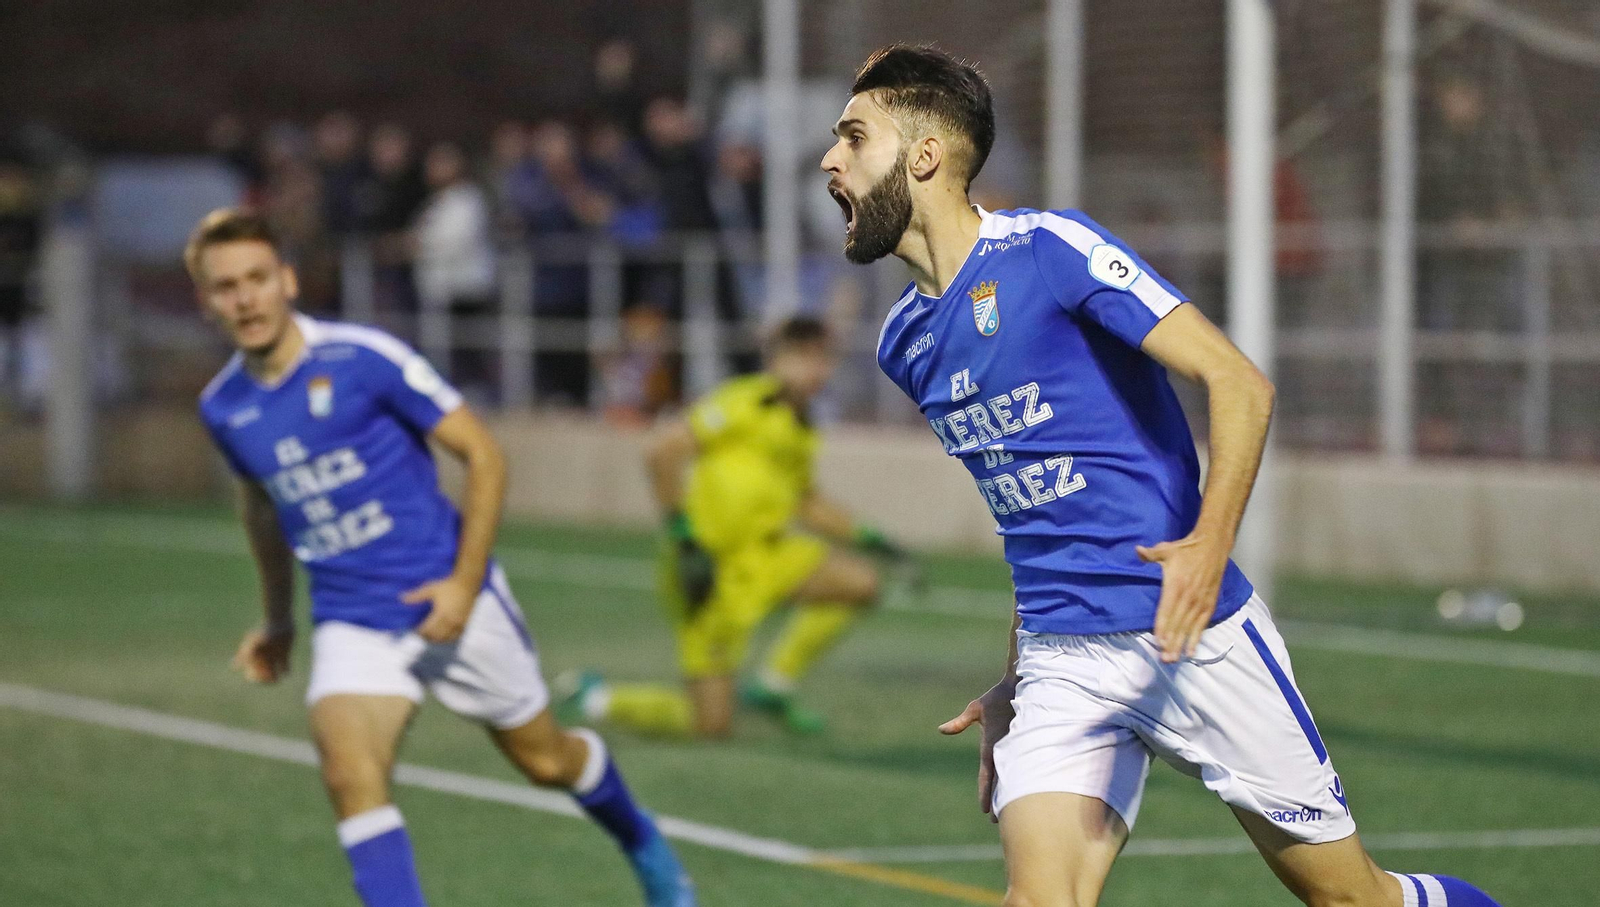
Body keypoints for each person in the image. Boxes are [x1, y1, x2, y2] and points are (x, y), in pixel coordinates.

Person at [823, 44, 1505, 907]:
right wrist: (1014, 675)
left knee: (1352, 899)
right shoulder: (903, 344)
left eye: (853, 136)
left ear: (924, 156)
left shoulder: (1050, 251)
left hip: (1193, 639)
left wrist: (1207, 547)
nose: (829, 160)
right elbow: (1028, 505)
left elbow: (1239, 384)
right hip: (1063, 659)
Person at [186, 208, 695, 907]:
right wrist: (278, 621)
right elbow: (263, 508)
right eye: (225, 287)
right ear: (206, 301)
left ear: (287, 280)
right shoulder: (224, 407)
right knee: (349, 773)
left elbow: (482, 453)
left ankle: (641, 840)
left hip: (453, 599)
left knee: (548, 761)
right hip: (353, 618)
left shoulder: (363, 359)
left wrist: (461, 586)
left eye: (256, 278)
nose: (244, 298)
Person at [561, 318, 907, 737]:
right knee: (709, 726)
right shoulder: (742, 402)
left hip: (766, 556)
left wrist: (870, 536)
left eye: (822, 361)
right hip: (710, 566)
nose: (814, 372)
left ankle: (773, 685)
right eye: (802, 359)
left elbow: (804, 501)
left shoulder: (804, 425)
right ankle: (596, 698)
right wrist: (684, 537)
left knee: (861, 583)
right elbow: (663, 452)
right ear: (776, 360)